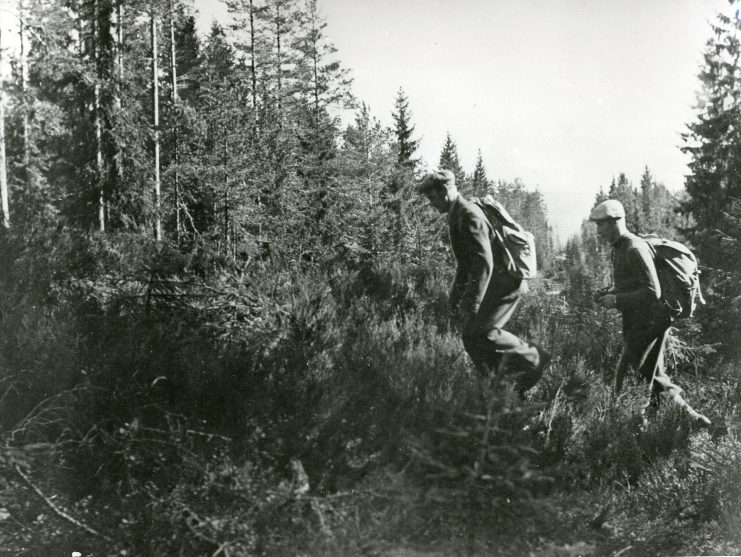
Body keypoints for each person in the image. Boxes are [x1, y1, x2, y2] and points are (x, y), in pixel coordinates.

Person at [417, 169, 550, 397]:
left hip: (506, 282)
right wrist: (454, 300)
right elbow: (464, 265)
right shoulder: (456, 213)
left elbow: (484, 264)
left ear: (443, 191)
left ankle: (535, 358)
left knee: (485, 332)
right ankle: (497, 385)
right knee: (471, 336)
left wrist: (471, 303)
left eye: (432, 198)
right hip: (495, 282)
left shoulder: (469, 214)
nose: (431, 204)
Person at [590, 199, 711, 427]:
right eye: (597, 225)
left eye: (602, 225)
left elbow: (652, 291)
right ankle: (693, 422)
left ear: (616, 221)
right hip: (640, 321)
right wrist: (612, 291)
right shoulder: (620, 248)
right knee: (654, 378)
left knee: (628, 380)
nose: (599, 231)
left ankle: (633, 433)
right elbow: (635, 283)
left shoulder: (634, 248)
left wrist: (615, 300)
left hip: (649, 322)